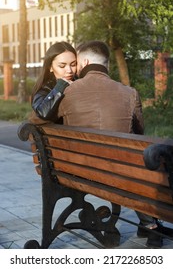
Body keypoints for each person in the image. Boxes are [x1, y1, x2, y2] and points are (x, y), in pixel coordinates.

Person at [56, 40, 173, 248]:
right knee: (139, 163)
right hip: (120, 173)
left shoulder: (66, 92)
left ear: (83, 62)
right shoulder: (129, 93)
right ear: (107, 65)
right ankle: (151, 226)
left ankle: (150, 225)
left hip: (77, 171)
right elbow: (139, 135)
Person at [30, 41, 77, 124]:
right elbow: (43, 112)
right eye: (62, 66)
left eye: (73, 65)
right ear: (50, 67)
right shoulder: (44, 88)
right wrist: (60, 87)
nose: (69, 70)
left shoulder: (81, 82)